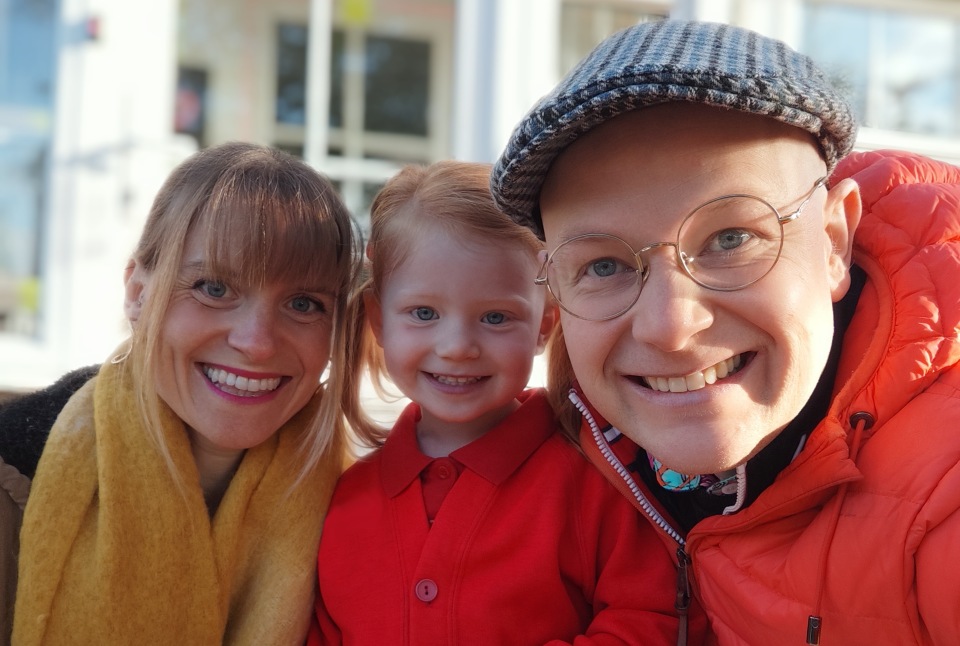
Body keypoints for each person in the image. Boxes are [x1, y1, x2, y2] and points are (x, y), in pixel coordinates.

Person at [490, 19, 960, 646]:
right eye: (602, 265)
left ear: (832, 243)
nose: (669, 327)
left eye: (731, 238)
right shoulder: (581, 447)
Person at [311, 160, 694, 646]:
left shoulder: (595, 474)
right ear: (379, 319)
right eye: (423, 313)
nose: (457, 346)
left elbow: (652, 618)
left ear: (545, 324)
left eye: (495, 316)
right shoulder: (344, 501)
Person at [0, 142, 361, 646]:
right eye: (214, 288)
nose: (256, 343)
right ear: (137, 294)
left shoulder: (368, 506)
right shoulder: (11, 475)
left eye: (304, 303)